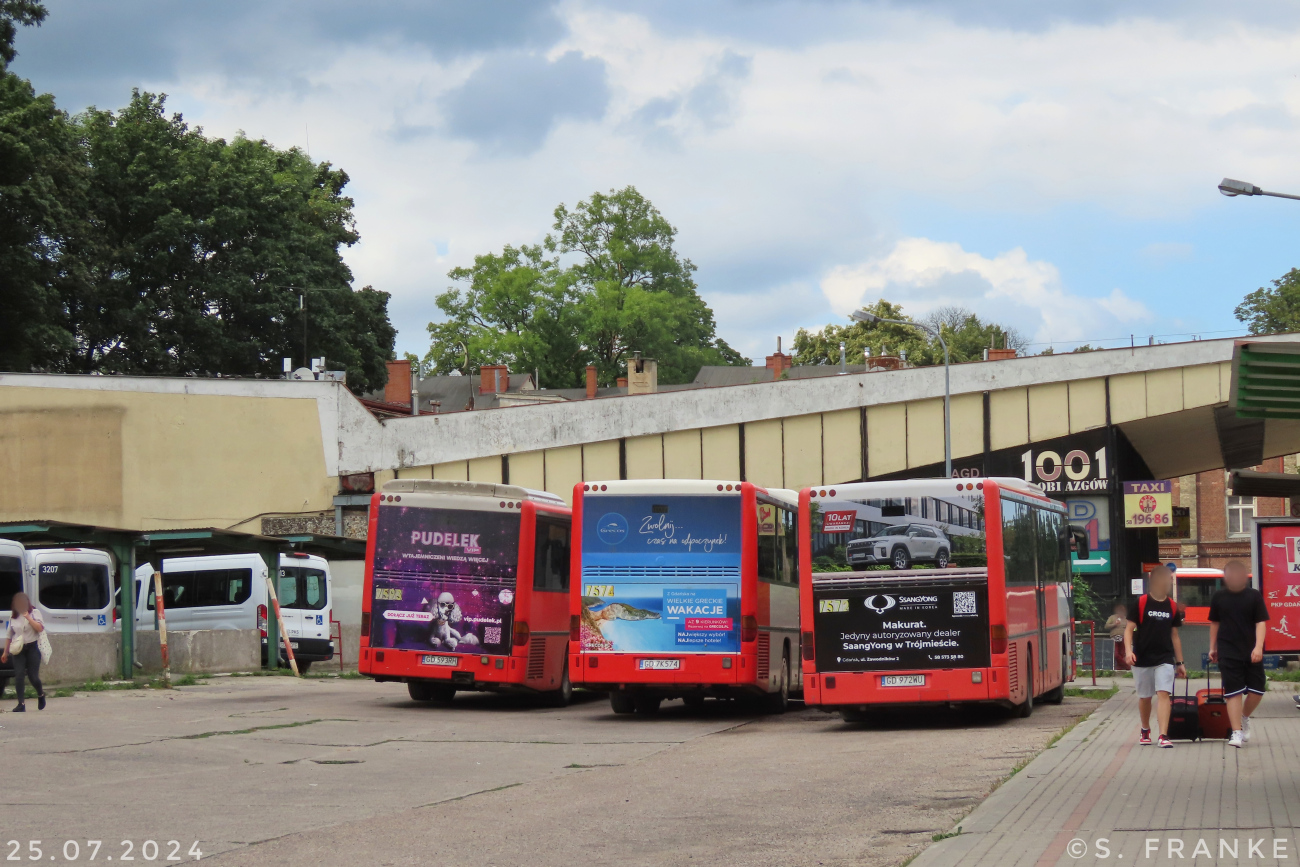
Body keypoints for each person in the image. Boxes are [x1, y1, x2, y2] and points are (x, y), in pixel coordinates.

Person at [1209, 560, 1269, 748]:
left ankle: (1244, 717)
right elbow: (1215, 623)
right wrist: (1212, 647)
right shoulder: (1219, 597)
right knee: (1233, 692)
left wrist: (1258, 647)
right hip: (1228, 650)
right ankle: (1236, 732)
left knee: (1257, 691)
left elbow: (1261, 622)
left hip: (1251, 650)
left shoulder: (1254, 596)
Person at [1124, 566, 1186, 748]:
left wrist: (1180, 662)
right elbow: (1129, 630)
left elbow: (1175, 636)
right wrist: (1129, 651)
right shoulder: (1141, 603)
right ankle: (1145, 729)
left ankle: (1163, 735)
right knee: (1145, 697)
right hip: (1142, 657)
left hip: (1164, 658)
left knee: (1163, 693)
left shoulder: (1172, 606)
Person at [0, 592, 47, 712]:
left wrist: (28, 618)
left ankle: (41, 694)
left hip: (32, 648)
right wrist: (5, 652)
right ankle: (21, 703)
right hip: (18, 649)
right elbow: (9, 635)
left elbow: (40, 628)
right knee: (19, 675)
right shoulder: (13, 617)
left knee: (33, 677)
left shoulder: (35, 613)